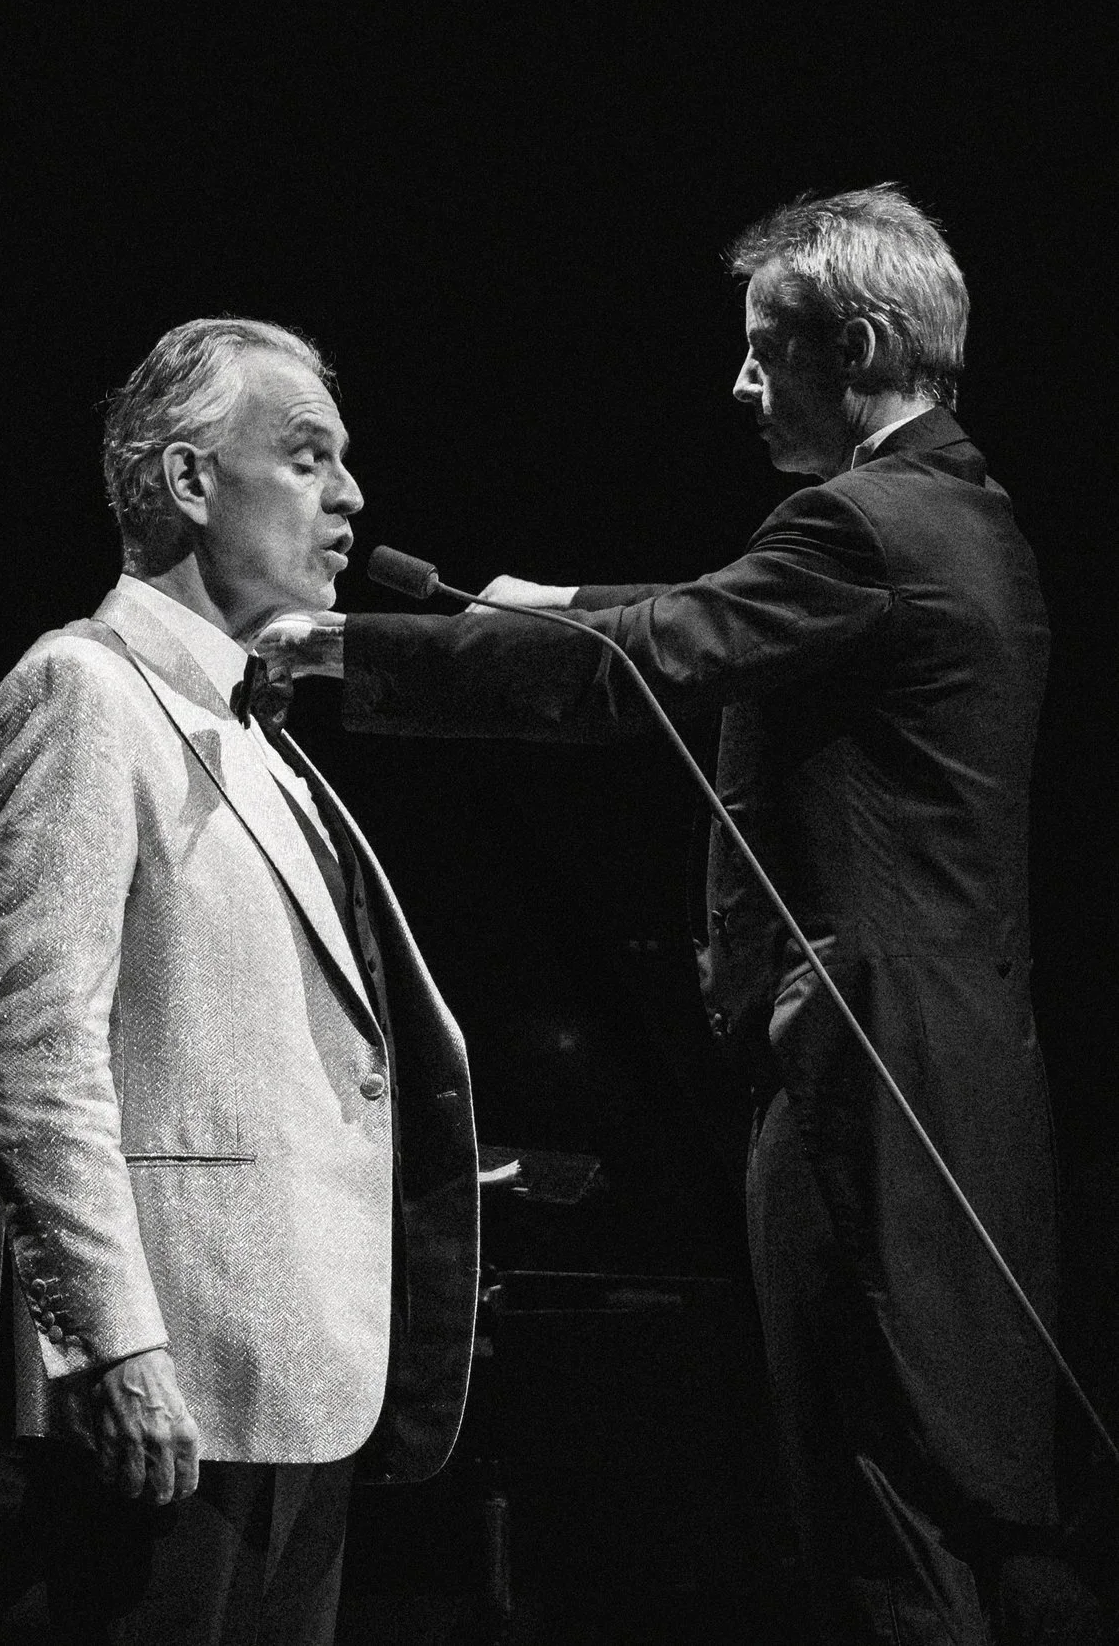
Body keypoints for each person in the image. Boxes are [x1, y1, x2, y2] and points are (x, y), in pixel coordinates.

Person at [268, 186, 1094, 1642]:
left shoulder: (860, 524)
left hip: (872, 1087)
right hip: (955, 1074)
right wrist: (558, 594)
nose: (739, 383)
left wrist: (349, 647)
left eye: (765, 351)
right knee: (945, 1499)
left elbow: (649, 661)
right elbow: (713, 612)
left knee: (879, 1517)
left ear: (857, 340)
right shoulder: (959, 515)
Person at [0, 318, 479, 1642]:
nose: (351, 496)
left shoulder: (261, 733)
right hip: (170, 1389)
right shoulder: (83, 693)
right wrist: (110, 1345)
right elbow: (32, 1053)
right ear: (191, 483)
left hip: (300, 1378)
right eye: (307, 458)